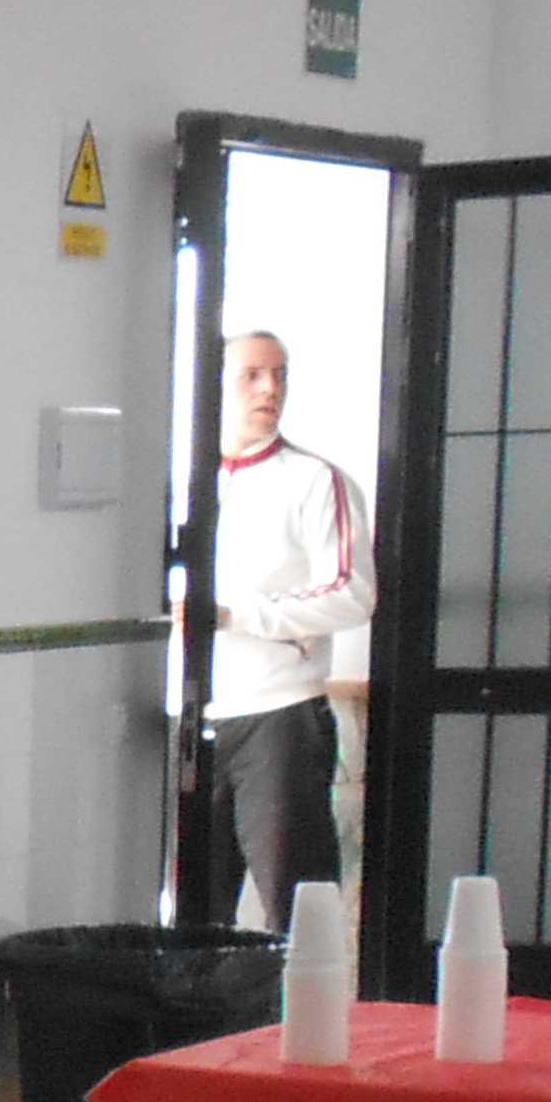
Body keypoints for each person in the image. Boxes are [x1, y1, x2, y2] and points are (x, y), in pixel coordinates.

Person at [206, 329, 373, 924]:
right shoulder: (184, 484)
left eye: (279, 374)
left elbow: (354, 592)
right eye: (252, 374)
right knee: (192, 910)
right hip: (189, 718)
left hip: (279, 713)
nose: (270, 388)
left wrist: (241, 616)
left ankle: (312, 1018)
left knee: (298, 904)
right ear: (214, 381)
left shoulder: (314, 481)